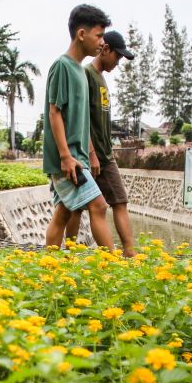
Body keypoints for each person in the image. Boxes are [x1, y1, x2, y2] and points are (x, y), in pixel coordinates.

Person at [42, 4, 114, 251]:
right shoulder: (62, 66)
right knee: (99, 206)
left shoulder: (80, 72)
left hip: (77, 157)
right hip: (67, 159)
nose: (102, 42)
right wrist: (65, 156)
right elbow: (55, 112)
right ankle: (113, 266)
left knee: (64, 213)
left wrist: (88, 153)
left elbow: (80, 122)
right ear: (81, 34)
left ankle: (51, 266)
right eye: (99, 35)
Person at [65, 30, 137, 257]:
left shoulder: (101, 77)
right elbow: (81, 117)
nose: (117, 62)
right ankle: (71, 253)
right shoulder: (86, 74)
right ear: (106, 49)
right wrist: (91, 152)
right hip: (92, 156)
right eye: (117, 56)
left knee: (119, 201)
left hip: (106, 155)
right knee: (77, 207)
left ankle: (129, 253)